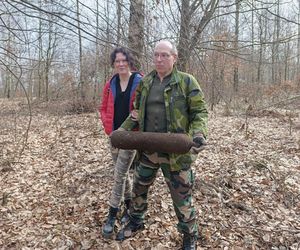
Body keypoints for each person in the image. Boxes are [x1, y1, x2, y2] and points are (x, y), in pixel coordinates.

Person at [115, 40, 208, 250]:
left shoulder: (186, 82)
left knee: (181, 198)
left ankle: (189, 234)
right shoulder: (146, 82)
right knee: (139, 188)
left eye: (164, 55)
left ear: (174, 57)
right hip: (148, 150)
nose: (159, 59)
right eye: (156, 55)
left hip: (176, 154)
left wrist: (199, 134)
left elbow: (200, 112)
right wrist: (121, 131)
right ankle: (136, 220)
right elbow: (136, 112)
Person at [99, 47, 142, 238]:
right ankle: (129, 206)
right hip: (114, 137)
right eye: (117, 61)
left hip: (130, 136)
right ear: (114, 64)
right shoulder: (111, 84)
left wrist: (138, 114)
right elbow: (103, 108)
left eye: (124, 60)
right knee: (122, 174)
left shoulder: (139, 82)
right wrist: (108, 128)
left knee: (119, 175)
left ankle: (111, 214)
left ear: (129, 61)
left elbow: (145, 107)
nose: (121, 64)